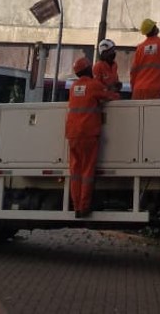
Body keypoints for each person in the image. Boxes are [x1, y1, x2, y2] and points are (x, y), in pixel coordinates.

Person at [66, 55, 113, 217]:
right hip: (88, 134)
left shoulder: (73, 87)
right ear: (88, 69)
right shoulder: (94, 85)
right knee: (86, 172)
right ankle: (84, 206)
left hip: (72, 135)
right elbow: (110, 96)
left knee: (75, 172)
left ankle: (77, 206)